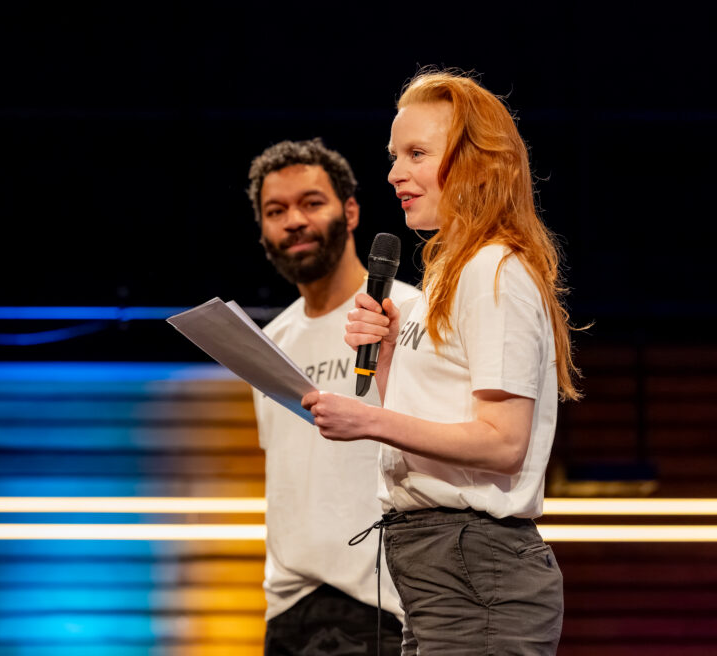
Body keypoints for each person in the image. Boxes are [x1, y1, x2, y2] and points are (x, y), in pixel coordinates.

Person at [302, 70, 577, 654]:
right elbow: (445, 414)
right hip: (441, 568)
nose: (394, 172)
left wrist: (367, 421)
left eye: (417, 153)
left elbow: (503, 443)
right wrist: (392, 357)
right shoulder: (447, 280)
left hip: (474, 567)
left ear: (477, 163)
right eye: (394, 155)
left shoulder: (492, 270)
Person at [247, 138, 419, 656]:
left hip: (382, 605)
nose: (293, 220)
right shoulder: (269, 341)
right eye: (275, 211)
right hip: (287, 609)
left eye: (311, 202)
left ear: (350, 210)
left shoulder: (408, 314)